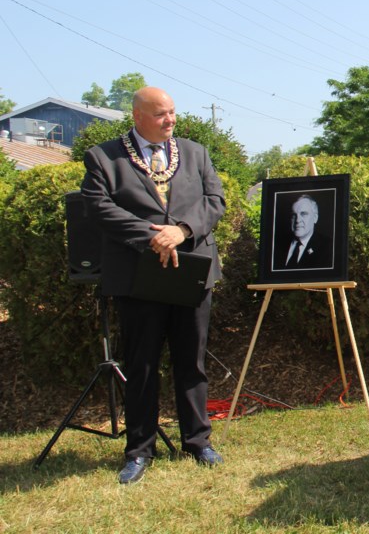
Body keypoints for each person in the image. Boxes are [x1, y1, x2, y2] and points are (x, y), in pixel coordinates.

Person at [80, 86, 226, 485]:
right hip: (138, 273)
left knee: (191, 361)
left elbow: (215, 199)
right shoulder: (104, 157)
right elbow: (98, 207)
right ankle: (139, 450)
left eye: (173, 112)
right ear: (138, 116)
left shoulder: (195, 152)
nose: (170, 120)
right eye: (161, 114)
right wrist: (152, 235)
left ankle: (197, 442)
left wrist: (180, 231)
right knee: (141, 364)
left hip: (191, 268)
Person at [273, 193, 332, 270]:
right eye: (294, 215)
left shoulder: (328, 247)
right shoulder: (277, 244)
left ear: (315, 218)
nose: (297, 220)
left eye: (303, 214)